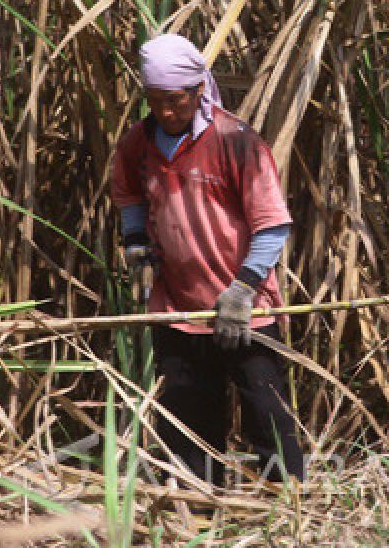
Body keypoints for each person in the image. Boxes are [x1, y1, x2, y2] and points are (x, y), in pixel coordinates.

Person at [110, 33, 304, 485]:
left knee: (265, 411)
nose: (164, 111)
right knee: (187, 419)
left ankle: (288, 503)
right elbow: (130, 195)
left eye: (174, 100)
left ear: (198, 90)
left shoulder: (235, 141)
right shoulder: (138, 144)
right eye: (154, 101)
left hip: (244, 308)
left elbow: (272, 223)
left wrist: (242, 289)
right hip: (178, 306)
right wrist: (136, 242)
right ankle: (196, 506)